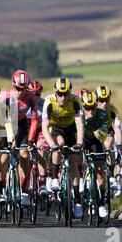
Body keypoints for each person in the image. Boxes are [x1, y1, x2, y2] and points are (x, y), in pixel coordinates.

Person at [42, 77, 85, 218]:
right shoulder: (49, 102)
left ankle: (78, 200)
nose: (63, 97)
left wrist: (79, 142)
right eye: (60, 94)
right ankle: (54, 177)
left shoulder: (75, 101)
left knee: (73, 161)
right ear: (56, 93)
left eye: (66, 93)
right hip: (56, 129)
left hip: (71, 129)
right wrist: (52, 145)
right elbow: (44, 127)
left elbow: (79, 124)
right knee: (58, 145)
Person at [0, 70, 39, 207]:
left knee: (25, 154)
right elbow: (6, 121)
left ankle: (24, 189)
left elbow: (34, 121)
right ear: (13, 85)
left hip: (21, 125)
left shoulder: (32, 98)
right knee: (3, 158)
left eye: (24, 89)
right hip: (5, 125)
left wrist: (31, 140)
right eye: (17, 88)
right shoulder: (6, 97)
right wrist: (10, 139)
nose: (20, 92)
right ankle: (1, 187)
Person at [81, 91, 110, 218]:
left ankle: (102, 202)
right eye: (87, 108)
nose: (91, 111)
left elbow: (103, 135)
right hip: (82, 140)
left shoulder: (103, 114)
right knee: (75, 160)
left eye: (93, 108)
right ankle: (82, 183)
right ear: (83, 107)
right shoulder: (79, 114)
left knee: (100, 171)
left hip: (96, 141)